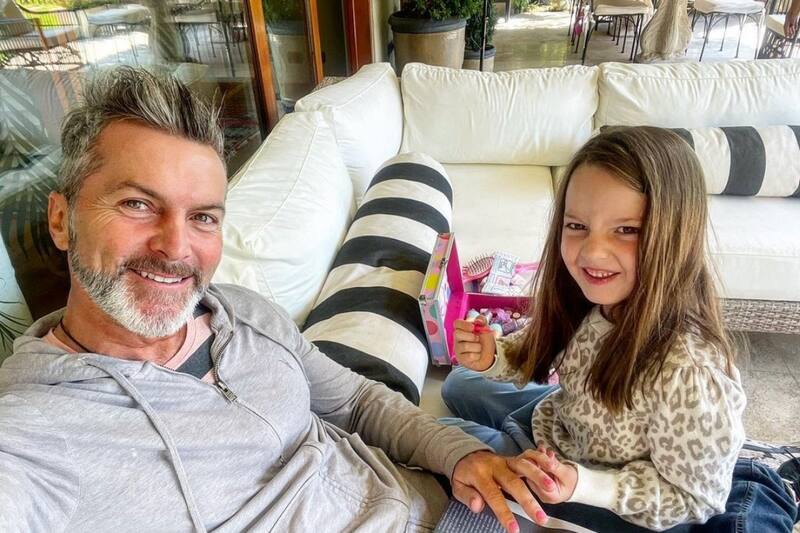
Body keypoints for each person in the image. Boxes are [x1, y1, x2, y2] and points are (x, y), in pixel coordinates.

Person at [0, 67, 548, 533]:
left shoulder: (242, 312)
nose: (176, 247)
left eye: (203, 217)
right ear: (61, 220)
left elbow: (357, 402)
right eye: (137, 204)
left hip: (452, 505)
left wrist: (460, 454)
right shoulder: (33, 433)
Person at [441, 127, 799, 532]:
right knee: (459, 383)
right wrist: (493, 356)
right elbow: (541, 352)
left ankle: (772, 480)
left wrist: (583, 484)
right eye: (577, 225)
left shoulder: (690, 370)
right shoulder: (594, 300)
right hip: (565, 426)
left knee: (446, 439)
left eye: (626, 229)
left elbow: (693, 498)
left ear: (674, 236)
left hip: (602, 486)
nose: (592, 252)